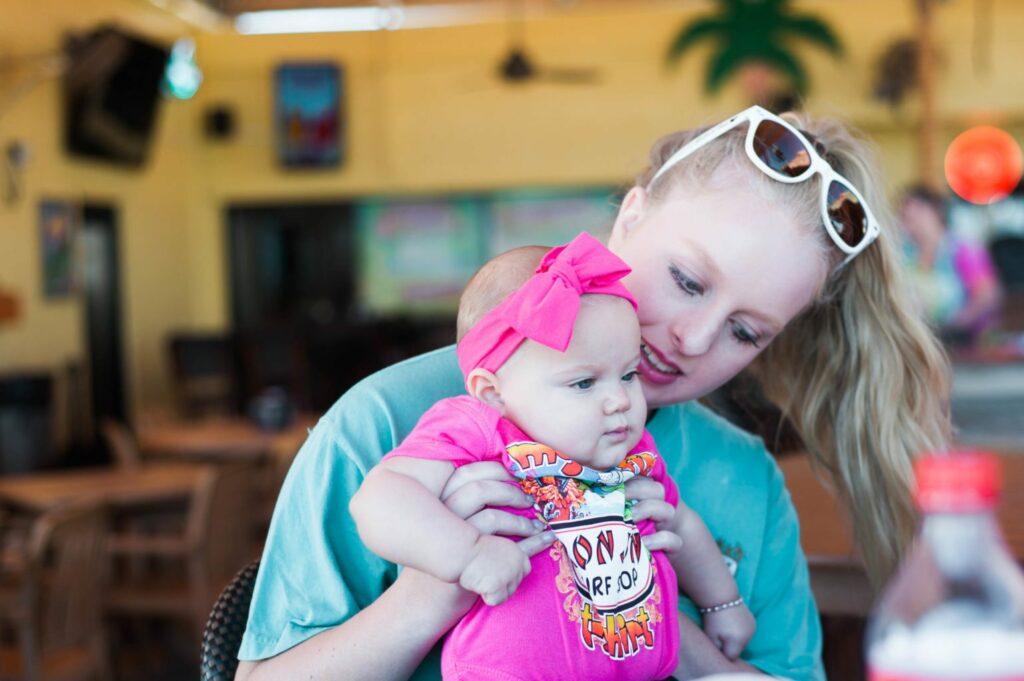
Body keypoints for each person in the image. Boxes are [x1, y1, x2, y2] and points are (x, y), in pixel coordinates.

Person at [235, 105, 951, 681]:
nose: (693, 338)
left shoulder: (745, 477)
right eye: (687, 280)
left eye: (746, 331)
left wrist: (678, 629)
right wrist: (435, 589)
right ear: (631, 216)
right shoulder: (384, 422)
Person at [350, 233, 755, 679]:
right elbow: (380, 499)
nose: (619, 400)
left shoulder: (627, 447)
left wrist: (723, 602)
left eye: (627, 374)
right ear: (493, 392)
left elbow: (681, 523)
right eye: (584, 383)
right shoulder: (480, 428)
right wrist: (467, 554)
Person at [898, 185, 1003, 346]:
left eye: (917, 214)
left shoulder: (963, 251)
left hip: (964, 342)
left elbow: (987, 295)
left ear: (936, 212)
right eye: (906, 217)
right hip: (920, 341)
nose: (911, 223)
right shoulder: (904, 254)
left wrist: (957, 323)